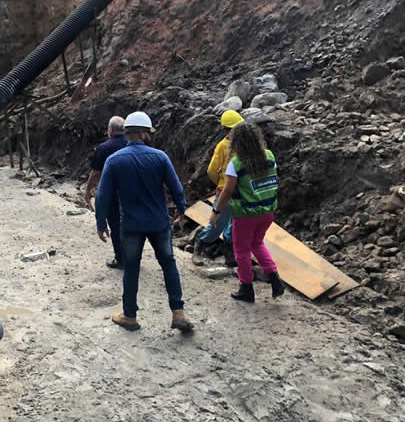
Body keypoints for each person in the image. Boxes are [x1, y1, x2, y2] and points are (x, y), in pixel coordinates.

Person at [94, 111, 194, 333]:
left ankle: (129, 316)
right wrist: (181, 210)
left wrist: (101, 222)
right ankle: (178, 313)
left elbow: (102, 195)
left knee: (131, 268)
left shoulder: (114, 160)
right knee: (169, 265)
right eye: (149, 132)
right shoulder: (160, 157)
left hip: (131, 225)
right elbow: (176, 187)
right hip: (159, 223)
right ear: (143, 133)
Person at [210, 121, 285, 303]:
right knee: (257, 243)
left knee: (242, 251)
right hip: (267, 211)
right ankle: (275, 280)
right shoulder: (269, 156)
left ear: (236, 142)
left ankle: (246, 288)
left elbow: (227, 191)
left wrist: (216, 212)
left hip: (245, 214)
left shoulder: (236, 163)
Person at [193, 110, 243, 267]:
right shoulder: (222, 146)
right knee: (217, 223)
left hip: (241, 191)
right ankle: (200, 245)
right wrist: (221, 183)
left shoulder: (243, 145)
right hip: (226, 191)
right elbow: (211, 170)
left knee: (235, 225)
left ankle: (229, 253)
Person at [84, 116, 127, 269]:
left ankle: (121, 259)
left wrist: (88, 190)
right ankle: (133, 257)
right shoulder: (133, 144)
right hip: (134, 192)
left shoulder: (104, 148)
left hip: (113, 193)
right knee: (131, 225)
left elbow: (96, 173)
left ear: (110, 130)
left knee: (115, 225)